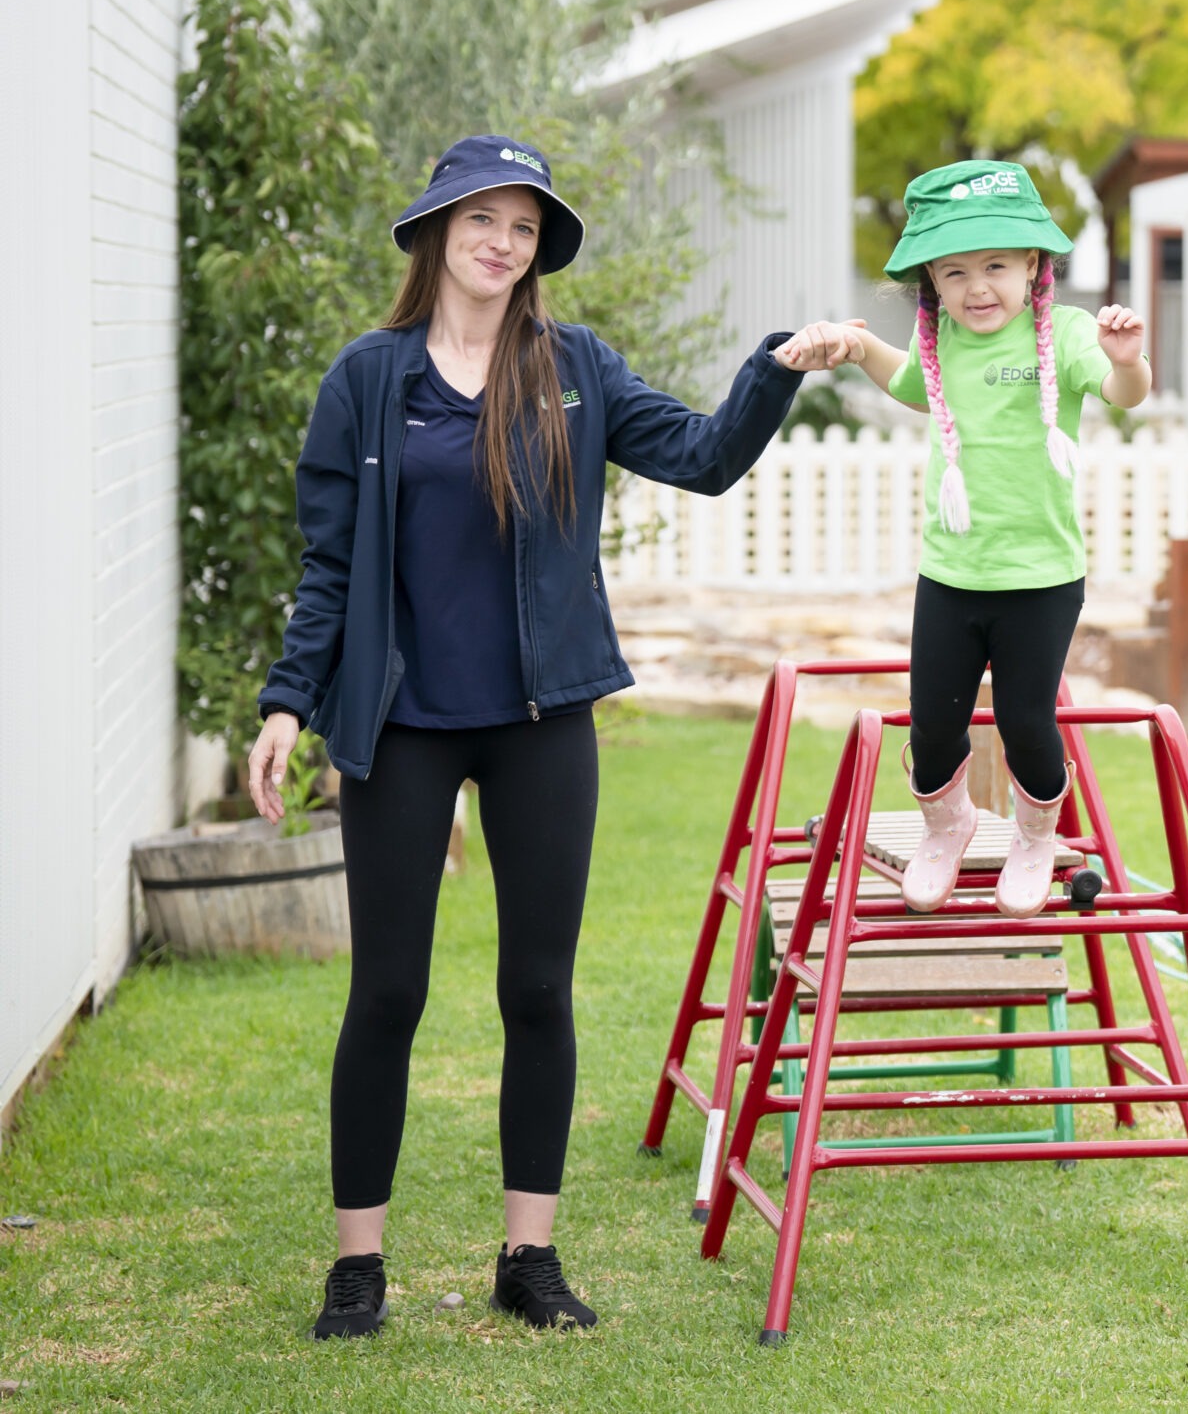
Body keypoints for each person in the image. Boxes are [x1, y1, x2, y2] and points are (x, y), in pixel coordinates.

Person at [245, 134, 866, 1339]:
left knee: (538, 989)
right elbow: (329, 568)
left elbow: (702, 456)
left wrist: (776, 369)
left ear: (538, 253)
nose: (501, 242)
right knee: (387, 993)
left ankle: (528, 1255)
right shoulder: (365, 381)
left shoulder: (573, 368)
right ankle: (355, 1267)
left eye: (523, 229)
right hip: (402, 724)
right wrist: (286, 702)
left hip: (541, 723)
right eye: (482, 219)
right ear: (436, 230)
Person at [834, 160, 1150, 918]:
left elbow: (1121, 394)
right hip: (951, 572)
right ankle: (948, 826)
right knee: (933, 723)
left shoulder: (1065, 334)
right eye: (956, 272)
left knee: (1023, 721)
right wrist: (860, 349)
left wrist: (1128, 360)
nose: (978, 287)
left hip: (1039, 577)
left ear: (1034, 266)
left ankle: (1037, 834)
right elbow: (912, 382)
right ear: (933, 284)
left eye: (997, 267)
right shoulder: (942, 340)